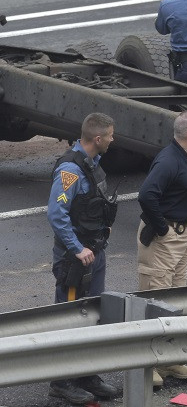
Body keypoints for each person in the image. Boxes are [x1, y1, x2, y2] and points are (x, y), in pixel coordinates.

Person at [47, 113, 120, 404]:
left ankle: (86, 374)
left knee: (91, 314)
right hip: (76, 258)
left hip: (94, 252)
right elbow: (56, 213)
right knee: (69, 316)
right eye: (111, 135)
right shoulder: (70, 170)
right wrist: (77, 248)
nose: (113, 139)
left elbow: (88, 206)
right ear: (98, 139)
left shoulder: (92, 164)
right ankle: (61, 381)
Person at [136, 111, 187, 387]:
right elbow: (146, 195)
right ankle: (147, 364)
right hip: (165, 238)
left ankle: (168, 361)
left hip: (183, 236)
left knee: (175, 300)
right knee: (154, 298)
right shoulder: (168, 160)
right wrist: (164, 229)